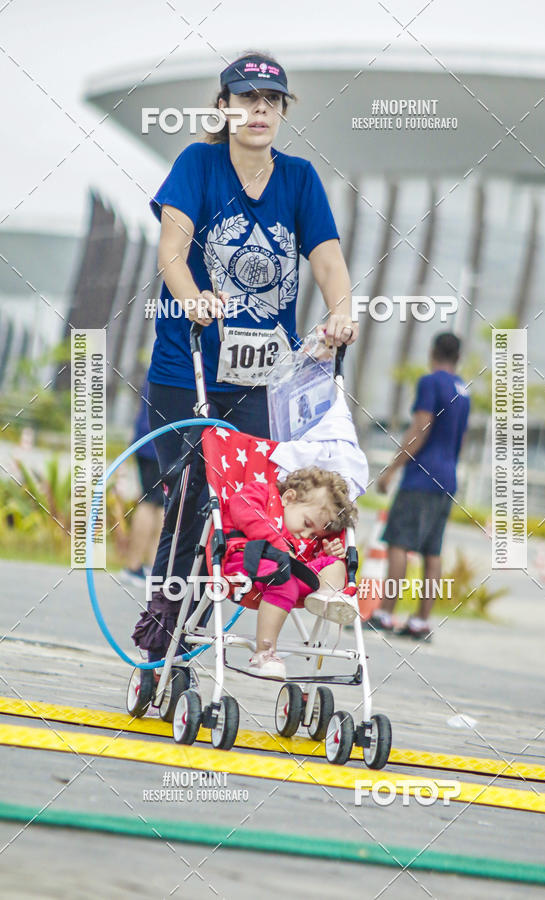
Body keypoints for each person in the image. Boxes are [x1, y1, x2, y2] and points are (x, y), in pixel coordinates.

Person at [132, 50, 358, 661]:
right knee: (189, 500)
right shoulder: (198, 164)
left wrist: (341, 307)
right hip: (191, 369)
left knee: (251, 505)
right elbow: (172, 254)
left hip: (262, 380)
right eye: (247, 99)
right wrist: (195, 299)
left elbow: (329, 259)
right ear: (225, 106)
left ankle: (244, 627)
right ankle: (163, 633)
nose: (259, 110)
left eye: (271, 101)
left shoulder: (298, 179)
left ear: (282, 111)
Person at [372, 332, 470, 639]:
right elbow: (461, 438)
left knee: (399, 543)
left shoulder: (430, 382)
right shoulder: (464, 390)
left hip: (421, 476)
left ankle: (385, 614)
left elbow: (421, 427)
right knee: (432, 551)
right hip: (447, 478)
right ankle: (420, 622)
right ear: (458, 357)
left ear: (432, 352)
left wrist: (391, 469)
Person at [222, 467, 358, 678]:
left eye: (314, 533)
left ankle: (327, 596)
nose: (306, 535)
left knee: (336, 563)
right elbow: (244, 512)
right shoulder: (261, 494)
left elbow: (307, 562)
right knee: (283, 578)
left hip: (295, 577)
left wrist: (325, 554)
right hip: (248, 562)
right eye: (307, 524)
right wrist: (280, 546)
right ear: (288, 497)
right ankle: (264, 653)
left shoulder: (304, 534)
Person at [119, 377, 164, 588]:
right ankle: (134, 566)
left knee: (161, 505)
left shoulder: (162, 362)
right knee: (152, 503)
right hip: (157, 444)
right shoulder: (179, 362)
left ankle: (149, 565)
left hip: (149, 441)